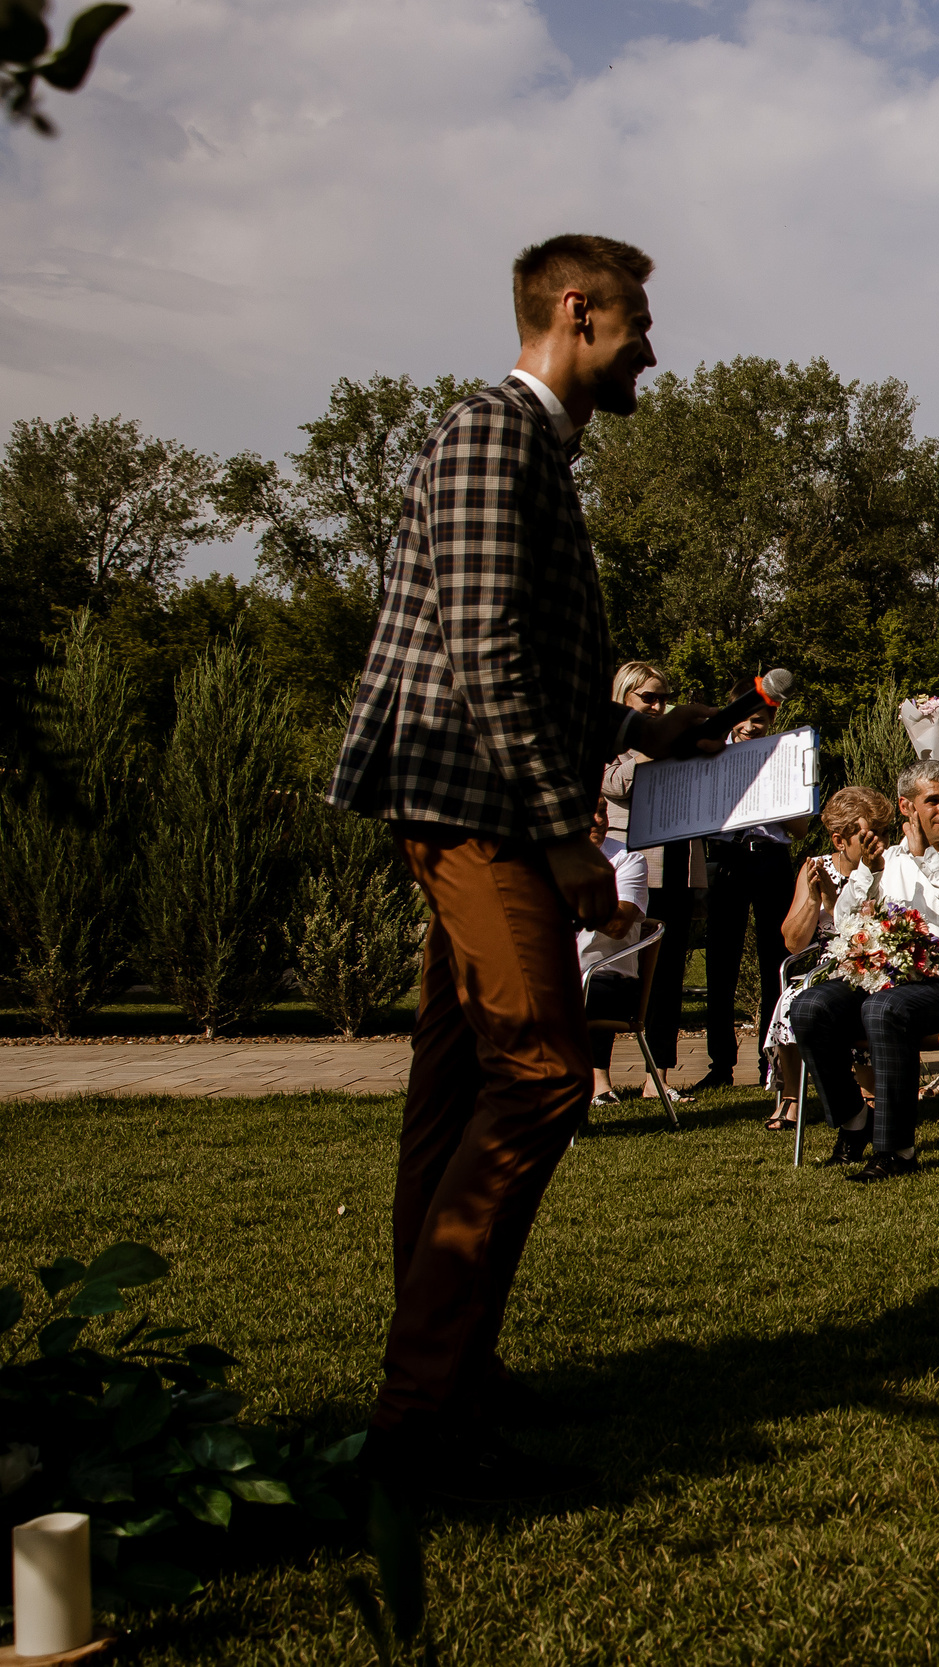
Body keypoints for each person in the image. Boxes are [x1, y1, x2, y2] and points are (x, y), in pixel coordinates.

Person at [326, 232, 718, 1500]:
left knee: (454, 1096)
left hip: (481, 797)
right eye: (639, 321)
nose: (652, 345)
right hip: (480, 811)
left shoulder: (525, 449)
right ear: (577, 313)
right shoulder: (497, 434)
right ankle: (419, 1425)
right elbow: (485, 655)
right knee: (547, 1075)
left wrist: (660, 734)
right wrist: (566, 837)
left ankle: (447, 1378)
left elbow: (529, 668)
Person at [789, 759, 939, 1181]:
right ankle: (855, 1122)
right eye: (934, 801)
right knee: (811, 1005)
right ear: (907, 807)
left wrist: (928, 860)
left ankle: (897, 1151)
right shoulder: (885, 858)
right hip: (886, 980)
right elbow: (847, 922)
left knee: (885, 1009)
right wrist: (867, 875)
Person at [762, 786, 896, 1131]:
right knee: (794, 997)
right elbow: (793, 944)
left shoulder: (891, 866)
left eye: (883, 833)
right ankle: (792, 1097)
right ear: (840, 841)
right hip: (825, 964)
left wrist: (837, 903)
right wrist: (813, 901)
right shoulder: (816, 868)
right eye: (870, 835)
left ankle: (868, 1092)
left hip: (874, 960)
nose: (879, 841)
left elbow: (878, 930)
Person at [694, 680, 805, 1096]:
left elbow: (799, 827)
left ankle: (771, 1062)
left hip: (771, 856)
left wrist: (772, 796)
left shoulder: (788, 757)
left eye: (759, 720)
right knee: (720, 962)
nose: (750, 726)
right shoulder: (711, 752)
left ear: (772, 720)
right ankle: (720, 1064)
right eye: (743, 718)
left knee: (773, 961)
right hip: (725, 858)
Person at [601, 660, 701, 1081]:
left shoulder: (677, 742)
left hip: (677, 861)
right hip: (626, 867)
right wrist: (650, 746)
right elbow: (613, 784)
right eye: (648, 698)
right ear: (624, 697)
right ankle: (597, 1076)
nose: (659, 706)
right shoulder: (606, 742)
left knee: (667, 974)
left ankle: (657, 1075)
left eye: (663, 698)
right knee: (609, 967)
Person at [579, 798, 651, 1104]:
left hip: (608, 981)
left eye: (603, 810)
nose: (598, 819)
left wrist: (561, 900)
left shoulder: (626, 860)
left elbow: (619, 924)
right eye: (589, 811)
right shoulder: (542, 858)